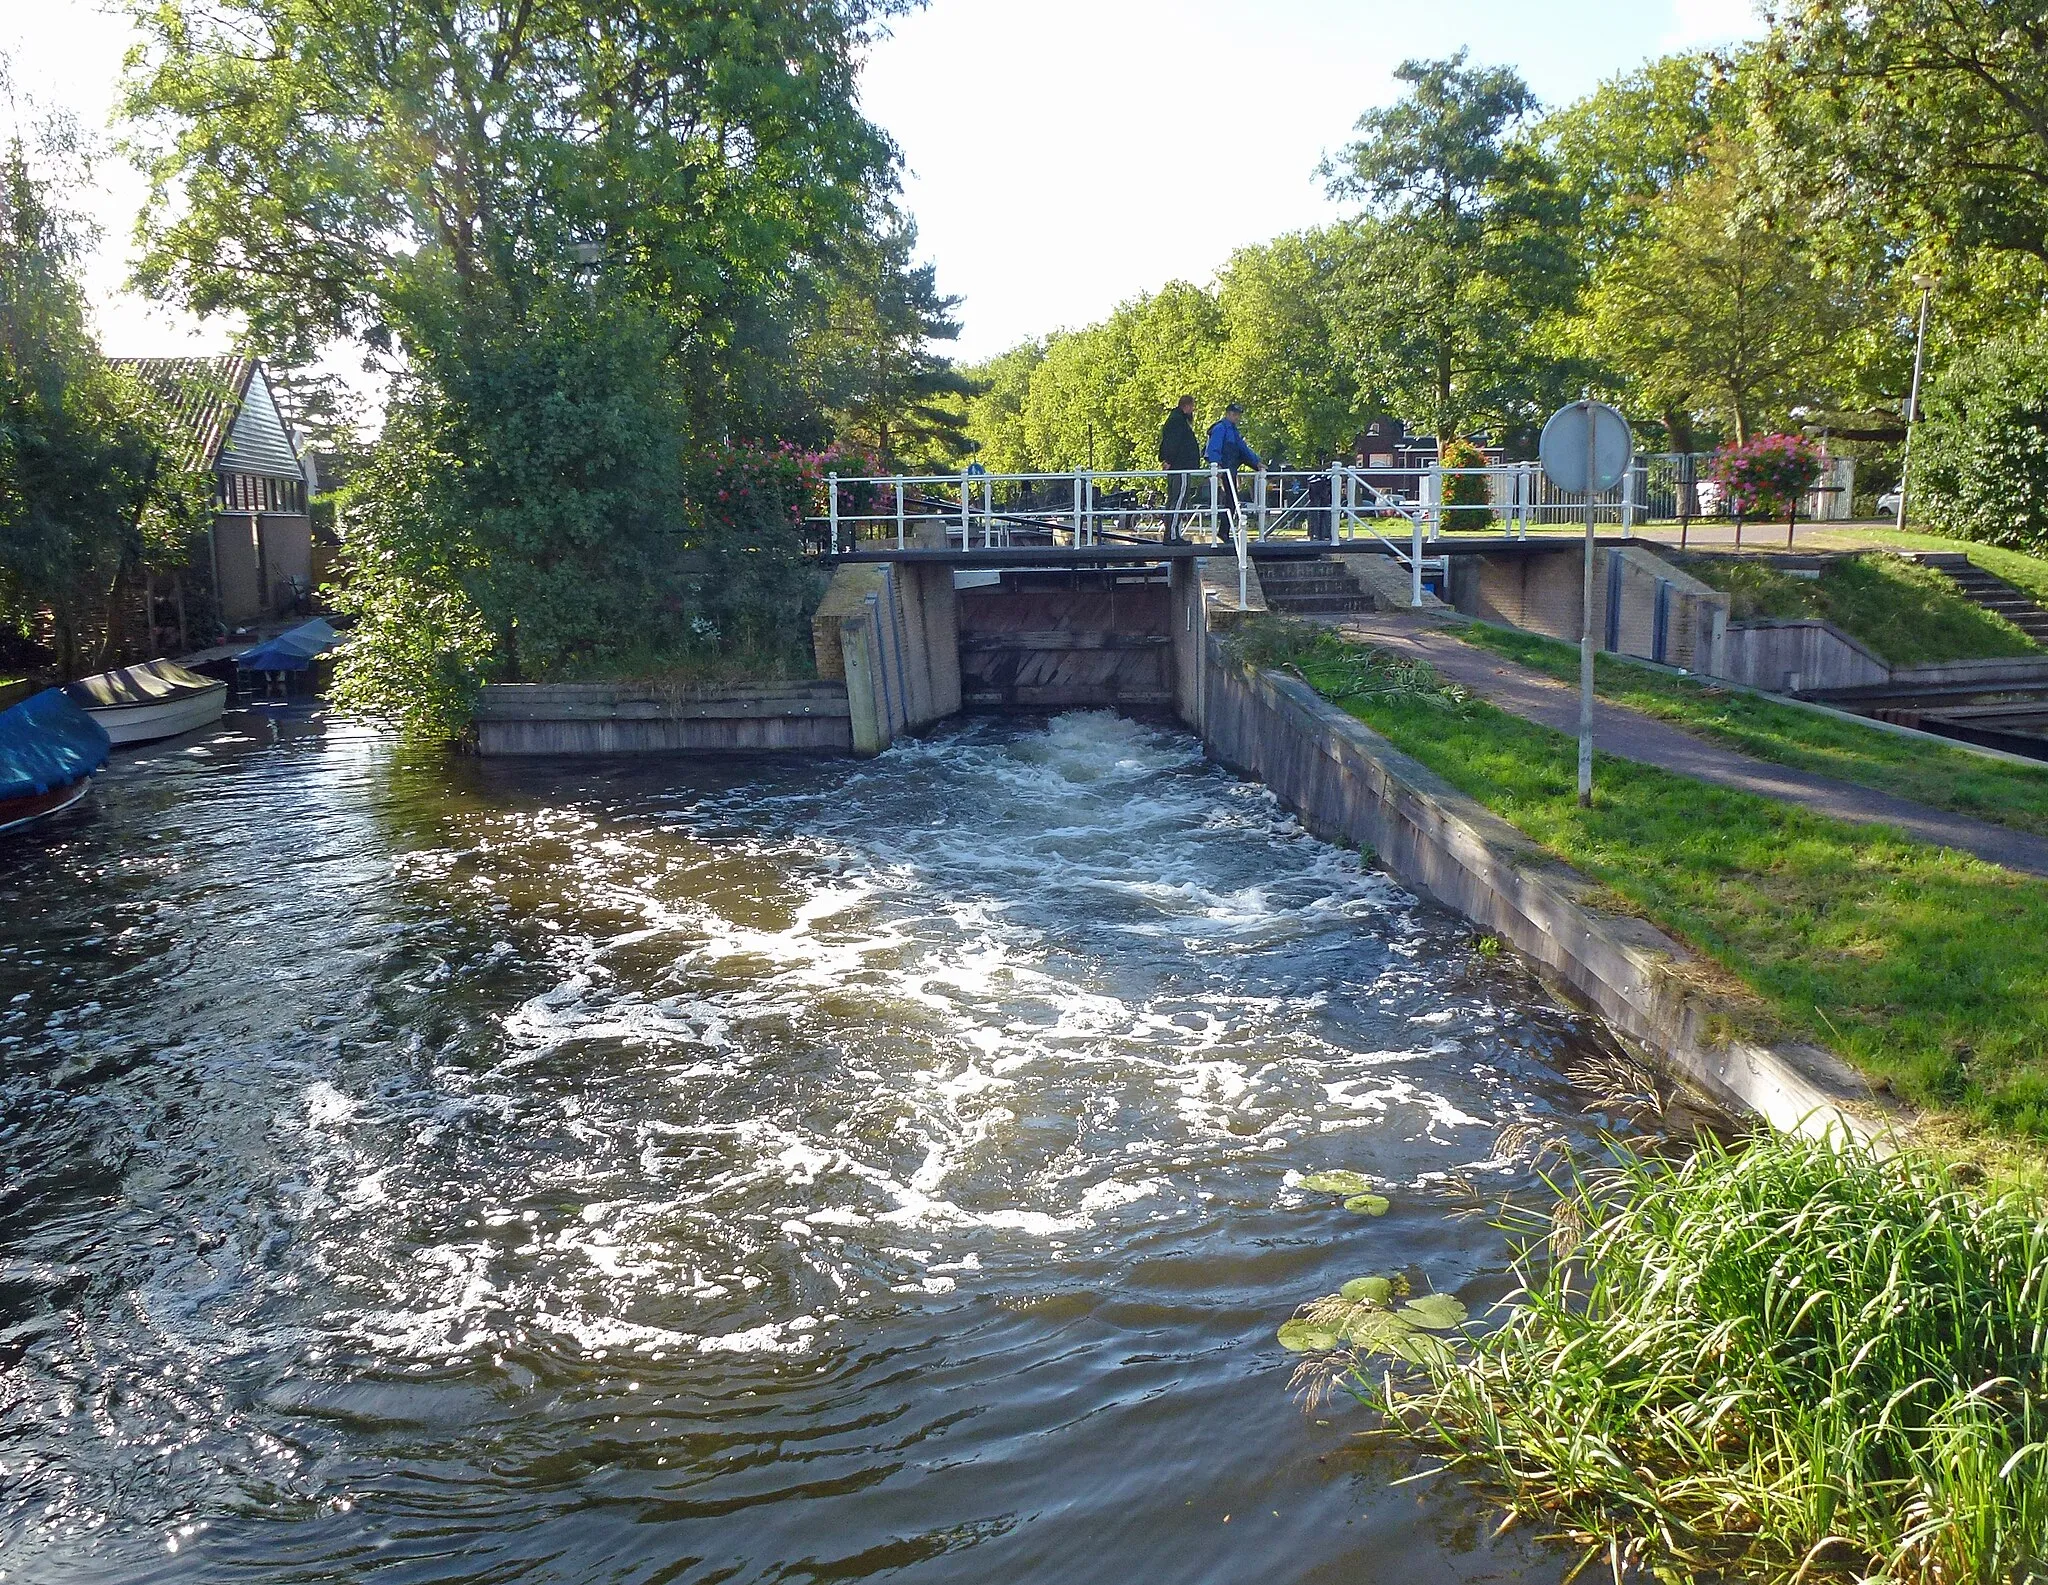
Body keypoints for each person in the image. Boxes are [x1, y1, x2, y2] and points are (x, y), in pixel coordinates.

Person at [1204, 402, 1262, 545]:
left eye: (1238, 415)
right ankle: (1223, 531)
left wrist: (1256, 462)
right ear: (1228, 414)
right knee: (1230, 500)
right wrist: (1216, 466)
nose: (1237, 417)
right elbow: (1214, 448)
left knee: (1232, 501)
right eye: (1235, 414)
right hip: (1225, 470)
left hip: (1231, 470)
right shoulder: (1221, 429)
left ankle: (1224, 531)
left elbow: (1243, 449)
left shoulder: (1233, 431)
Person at [1157, 396, 1202, 542]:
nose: (1193, 409)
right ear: (1187, 406)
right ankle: (1172, 535)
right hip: (1180, 466)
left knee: (1174, 499)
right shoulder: (1178, 421)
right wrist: (1168, 459)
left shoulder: (1176, 420)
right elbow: (1172, 442)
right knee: (1178, 499)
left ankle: (1171, 533)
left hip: (1179, 465)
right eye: (1192, 406)